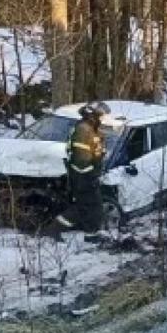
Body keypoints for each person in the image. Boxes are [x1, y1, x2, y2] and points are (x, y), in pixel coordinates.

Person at [52, 101, 109, 238]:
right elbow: (81, 158)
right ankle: (55, 228)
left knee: (91, 206)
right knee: (86, 206)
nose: (103, 119)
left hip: (86, 175)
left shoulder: (91, 129)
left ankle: (92, 233)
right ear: (93, 116)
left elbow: (96, 151)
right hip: (83, 176)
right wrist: (90, 175)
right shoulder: (83, 130)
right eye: (101, 116)